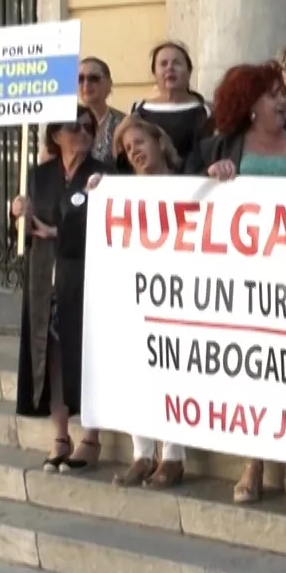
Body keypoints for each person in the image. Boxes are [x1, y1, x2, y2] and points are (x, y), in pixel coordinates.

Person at [194, 63, 286, 508]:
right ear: (249, 104)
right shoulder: (222, 145)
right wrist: (210, 178)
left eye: (281, 93)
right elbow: (181, 199)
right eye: (271, 94)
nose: (281, 100)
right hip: (247, 284)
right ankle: (253, 460)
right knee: (256, 368)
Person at [10, 106, 106, 472]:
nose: (82, 132)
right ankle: (60, 436)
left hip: (84, 279)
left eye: (88, 127)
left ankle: (91, 438)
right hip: (43, 278)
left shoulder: (104, 173)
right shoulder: (37, 175)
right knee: (50, 356)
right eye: (74, 126)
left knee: (87, 357)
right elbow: (24, 233)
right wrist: (17, 211)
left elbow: (106, 225)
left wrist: (59, 233)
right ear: (55, 135)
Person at [99, 118, 190, 489]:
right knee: (136, 370)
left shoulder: (190, 187)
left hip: (178, 292)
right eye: (127, 148)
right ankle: (142, 452)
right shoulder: (120, 194)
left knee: (174, 369)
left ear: (159, 141)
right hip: (135, 293)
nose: (134, 151)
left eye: (139, 142)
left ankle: (173, 456)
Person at [130, 41, 211, 172]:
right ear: (154, 73)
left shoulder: (206, 110)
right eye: (163, 64)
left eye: (176, 63)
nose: (170, 68)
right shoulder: (139, 111)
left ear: (189, 72)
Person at [77, 57, 125, 168]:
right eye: (80, 79)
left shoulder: (122, 123)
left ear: (109, 84)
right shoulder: (65, 123)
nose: (86, 84)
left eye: (93, 78)